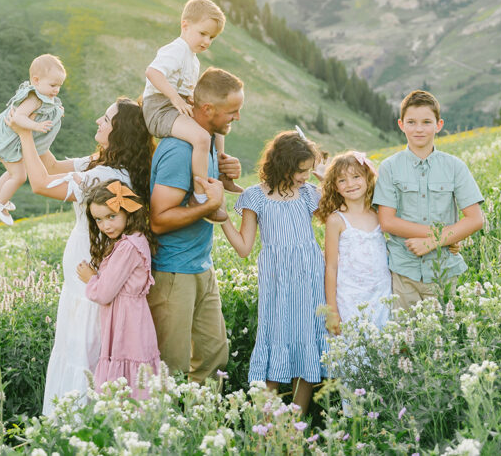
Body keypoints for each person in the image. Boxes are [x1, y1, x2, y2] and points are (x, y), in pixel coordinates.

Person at [11, 97, 154, 414]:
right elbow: (49, 166)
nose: (98, 122)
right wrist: (37, 124)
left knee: (83, 352)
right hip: (80, 280)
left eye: (105, 119)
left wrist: (23, 134)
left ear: (119, 132)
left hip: (91, 279)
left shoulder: (105, 176)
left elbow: (41, 183)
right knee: (76, 347)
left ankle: (77, 427)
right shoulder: (101, 165)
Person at [147, 67, 243, 383]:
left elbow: (208, 191)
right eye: (232, 112)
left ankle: (203, 427)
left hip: (201, 266)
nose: (237, 118)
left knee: (215, 357)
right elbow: (159, 220)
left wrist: (227, 177)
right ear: (206, 110)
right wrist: (211, 205)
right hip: (174, 272)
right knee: (170, 367)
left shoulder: (209, 145)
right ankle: (166, 429)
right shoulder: (180, 150)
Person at [223, 131, 328, 415]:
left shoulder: (308, 193)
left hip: (310, 278)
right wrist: (221, 219)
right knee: (276, 338)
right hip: (277, 280)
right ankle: (266, 425)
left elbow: (336, 213)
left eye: (309, 170)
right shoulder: (254, 196)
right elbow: (245, 247)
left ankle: (295, 423)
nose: (305, 176)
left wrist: (322, 177)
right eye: (301, 170)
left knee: (307, 339)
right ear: (283, 165)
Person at [373, 90, 484, 310]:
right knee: (404, 340)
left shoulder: (455, 167)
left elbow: (475, 219)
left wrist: (433, 242)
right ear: (401, 124)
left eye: (426, 122)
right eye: (411, 122)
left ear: (439, 125)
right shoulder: (390, 167)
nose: (419, 129)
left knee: (444, 340)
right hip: (403, 273)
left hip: (445, 273)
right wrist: (446, 236)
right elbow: (388, 222)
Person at [143, 0, 240, 222]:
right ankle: (199, 196)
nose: (207, 41)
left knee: (216, 129)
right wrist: (175, 99)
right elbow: (153, 72)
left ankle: (222, 173)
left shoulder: (193, 60)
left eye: (212, 37)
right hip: (159, 108)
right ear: (185, 25)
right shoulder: (176, 50)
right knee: (201, 139)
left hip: (174, 105)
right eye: (203, 33)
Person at [76, 180, 161, 399]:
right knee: (130, 382)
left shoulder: (128, 247)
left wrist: (91, 278)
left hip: (128, 324)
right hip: (130, 319)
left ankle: (130, 427)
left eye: (111, 216)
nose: (105, 226)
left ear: (128, 212)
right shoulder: (133, 240)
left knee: (129, 382)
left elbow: (104, 293)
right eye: (99, 220)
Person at [0, 54, 67, 225]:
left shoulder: (44, 96)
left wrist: (56, 111)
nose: (56, 90)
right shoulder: (33, 98)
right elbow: (18, 118)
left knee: (11, 173)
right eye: (53, 85)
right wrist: (36, 126)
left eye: (59, 86)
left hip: (14, 141)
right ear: (36, 81)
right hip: (10, 141)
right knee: (19, 176)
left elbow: (48, 108)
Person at [316, 151, 391, 337]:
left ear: (368, 178)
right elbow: (331, 267)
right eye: (342, 180)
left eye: (356, 176)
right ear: (335, 187)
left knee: (383, 346)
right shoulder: (337, 220)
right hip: (350, 298)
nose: (350, 184)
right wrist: (332, 311)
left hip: (381, 294)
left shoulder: (379, 214)